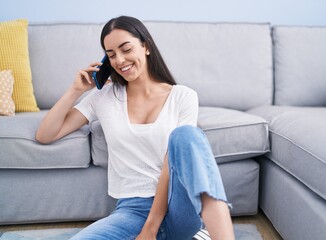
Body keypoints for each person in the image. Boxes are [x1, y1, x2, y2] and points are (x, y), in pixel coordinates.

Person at [36, 16, 235, 240]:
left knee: (186, 135)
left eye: (126, 49)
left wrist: (150, 229)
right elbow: (46, 134)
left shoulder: (183, 96)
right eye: (111, 55)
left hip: (179, 205)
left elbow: (169, 167)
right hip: (132, 210)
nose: (120, 60)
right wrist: (75, 90)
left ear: (146, 46)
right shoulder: (103, 97)